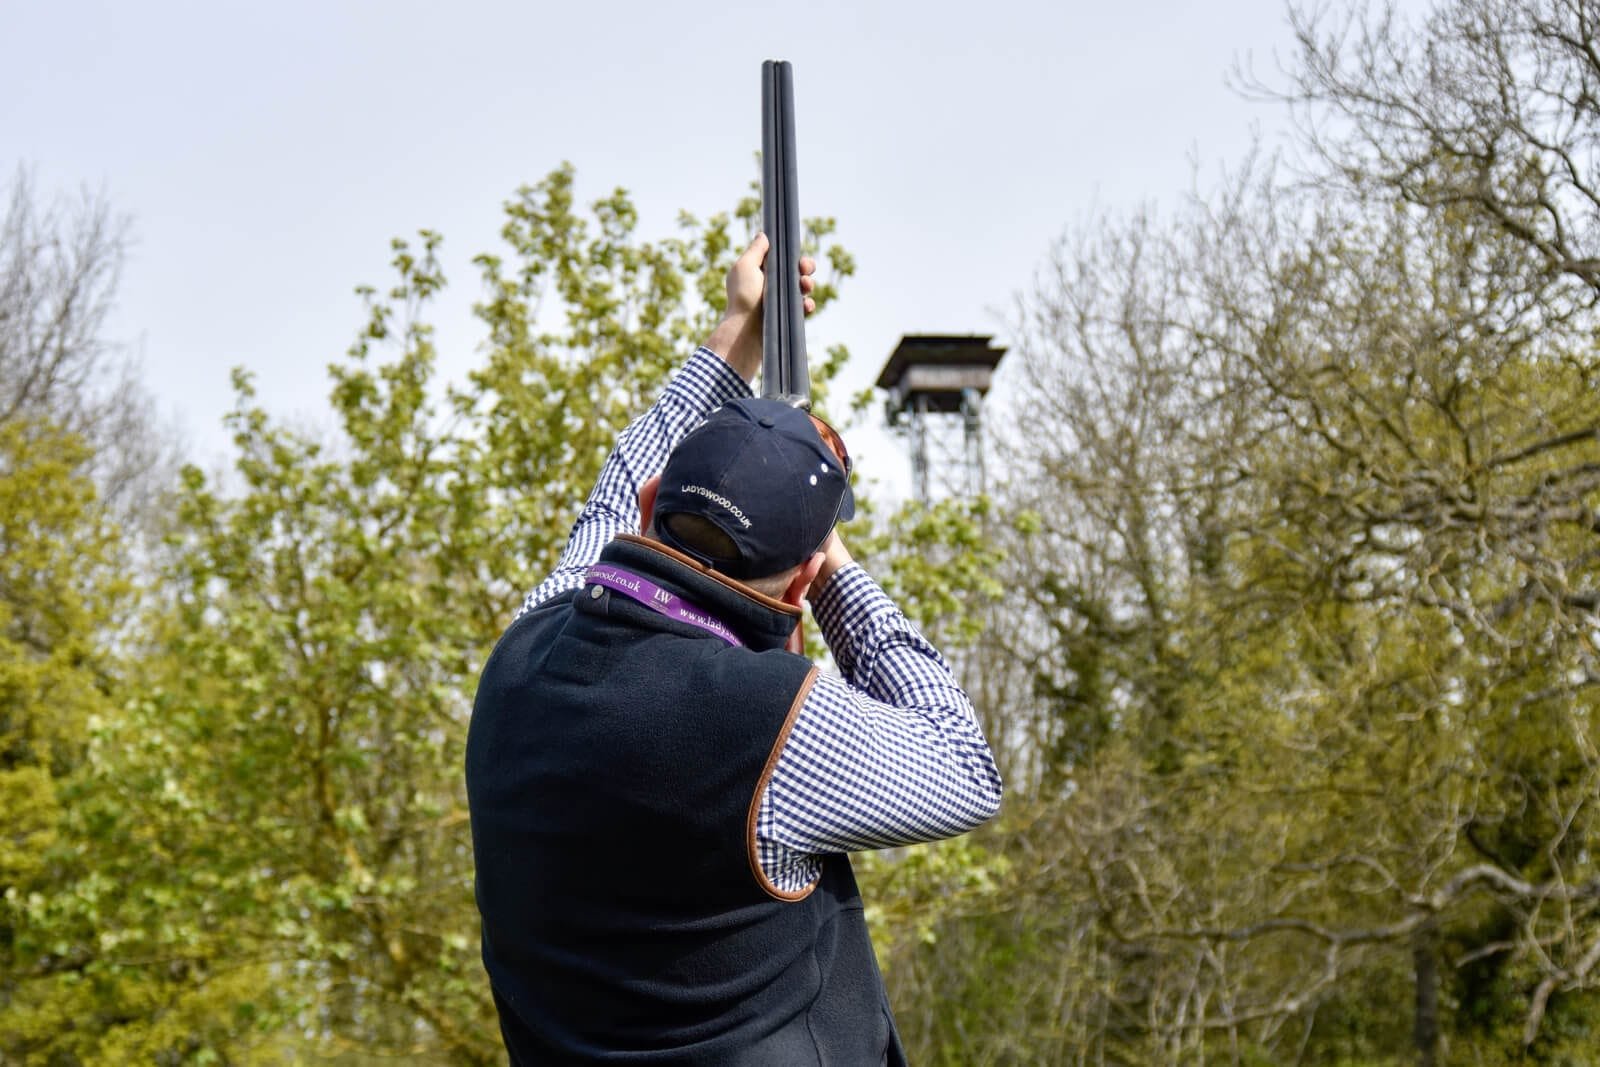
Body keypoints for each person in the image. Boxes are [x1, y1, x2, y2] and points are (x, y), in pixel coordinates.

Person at [466, 233, 1002, 1064]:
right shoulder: (771, 727)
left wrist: (735, 330)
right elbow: (963, 764)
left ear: (654, 506)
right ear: (798, 587)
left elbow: (617, 491)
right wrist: (838, 578)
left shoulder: (526, 649)